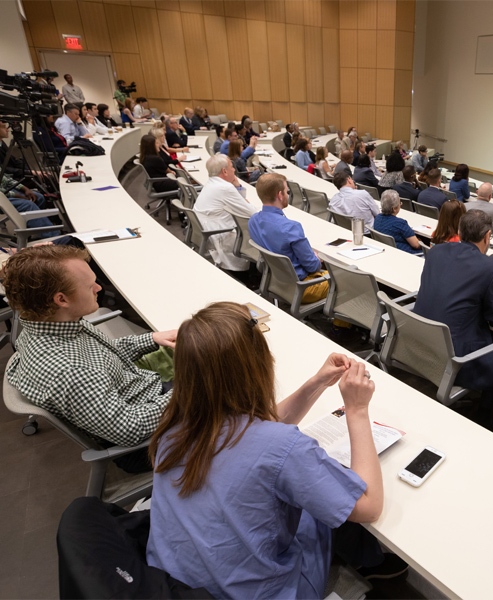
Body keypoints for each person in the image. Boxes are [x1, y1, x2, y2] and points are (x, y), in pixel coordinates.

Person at [146, 302, 384, 599]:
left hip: (172, 581)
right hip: (253, 592)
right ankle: (374, 566)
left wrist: (317, 383)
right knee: (324, 510)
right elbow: (369, 507)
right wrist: (357, 410)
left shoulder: (177, 421)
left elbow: (254, 429)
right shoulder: (284, 447)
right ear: (259, 364)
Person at [3, 245, 178, 453]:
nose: (99, 288)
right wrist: (189, 392)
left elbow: (102, 356)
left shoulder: (51, 324)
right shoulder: (69, 371)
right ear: (61, 299)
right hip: (150, 437)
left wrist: (151, 338)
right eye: (89, 286)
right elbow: (131, 429)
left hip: (146, 396)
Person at [415, 210, 493, 413]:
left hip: (420, 345)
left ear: (459, 232)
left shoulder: (435, 252)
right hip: (456, 358)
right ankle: (487, 416)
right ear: (488, 236)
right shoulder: (490, 268)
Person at [249, 173, 330, 304]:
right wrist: (316, 257)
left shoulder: (253, 221)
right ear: (280, 195)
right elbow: (313, 267)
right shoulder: (291, 227)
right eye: (287, 192)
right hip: (302, 288)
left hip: (274, 282)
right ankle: (340, 325)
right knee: (347, 281)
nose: (288, 195)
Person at [193, 154, 258, 278]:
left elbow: (239, 203)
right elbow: (251, 212)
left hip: (209, 231)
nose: (234, 170)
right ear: (224, 171)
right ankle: (255, 277)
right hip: (221, 234)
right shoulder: (224, 187)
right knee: (261, 228)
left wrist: (237, 186)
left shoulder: (212, 183)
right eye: (231, 167)